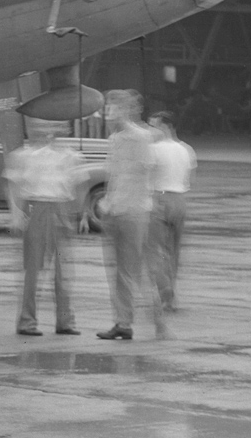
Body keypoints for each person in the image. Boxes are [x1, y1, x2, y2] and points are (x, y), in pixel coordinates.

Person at [4, 118, 86, 337]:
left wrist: (78, 215)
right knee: (33, 269)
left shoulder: (69, 156)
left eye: (48, 126)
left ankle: (65, 321)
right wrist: (16, 214)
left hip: (61, 210)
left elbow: (78, 185)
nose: (43, 131)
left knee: (63, 271)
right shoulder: (22, 156)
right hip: (37, 208)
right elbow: (13, 185)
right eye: (37, 127)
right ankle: (27, 322)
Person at [95, 91, 157, 341]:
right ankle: (123, 323)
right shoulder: (114, 140)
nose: (110, 112)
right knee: (118, 271)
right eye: (108, 107)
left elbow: (147, 173)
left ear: (128, 109)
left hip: (135, 212)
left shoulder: (142, 137)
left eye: (115, 107)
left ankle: (157, 321)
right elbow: (112, 176)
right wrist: (107, 202)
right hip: (116, 212)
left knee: (133, 270)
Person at [149, 112, 196, 312]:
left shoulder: (153, 150)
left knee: (155, 252)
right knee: (173, 252)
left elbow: (146, 177)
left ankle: (164, 292)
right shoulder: (187, 150)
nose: (150, 130)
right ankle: (170, 296)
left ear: (165, 127)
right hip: (180, 200)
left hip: (159, 199)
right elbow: (189, 179)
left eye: (153, 126)